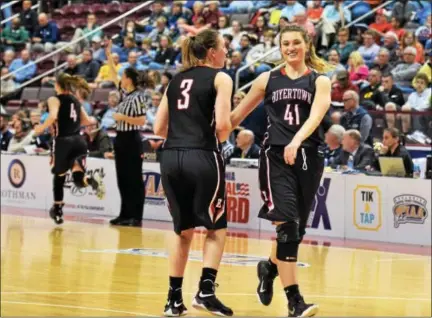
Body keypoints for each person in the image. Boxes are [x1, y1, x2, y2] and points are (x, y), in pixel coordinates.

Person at [230, 25, 332, 317]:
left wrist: (298, 140)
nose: (290, 47)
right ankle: (295, 302)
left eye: (295, 42)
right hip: (275, 156)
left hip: (308, 158)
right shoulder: (267, 78)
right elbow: (236, 116)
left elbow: (317, 114)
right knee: (287, 227)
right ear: (280, 47)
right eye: (285, 43)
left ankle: (269, 267)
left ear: (306, 44)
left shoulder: (319, 80)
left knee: (296, 232)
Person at [153, 29, 233, 317]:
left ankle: (173, 300)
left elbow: (158, 128)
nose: (227, 53)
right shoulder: (221, 77)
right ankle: (206, 291)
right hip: (202, 155)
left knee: (182, 229)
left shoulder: (175, 80)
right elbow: (223, 126)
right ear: (211, 52)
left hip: (171, 156)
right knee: (216, 227)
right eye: (224, 47)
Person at [34, 73, 105, 225]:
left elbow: (53, 116)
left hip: (63, 142)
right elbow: (87, 121)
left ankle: (58, 210)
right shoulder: (75, 100)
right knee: (79, 179)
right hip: (79, 142)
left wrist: (41, 127)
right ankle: (90, 181)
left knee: (59, 177)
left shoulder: (54, 99)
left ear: (57, 85)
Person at [105, 40, 149, 227]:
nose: (121, 79)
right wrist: (108, 55)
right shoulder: (124, 94)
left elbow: (142, 120)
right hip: (120, 138)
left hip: (132, 139)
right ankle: (124, 214)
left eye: (124, 76)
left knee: (134, 178)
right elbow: (113, 74)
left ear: (129, 79)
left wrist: (122, 116)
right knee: (122, 177)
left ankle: (136, 216)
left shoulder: (139, 96)